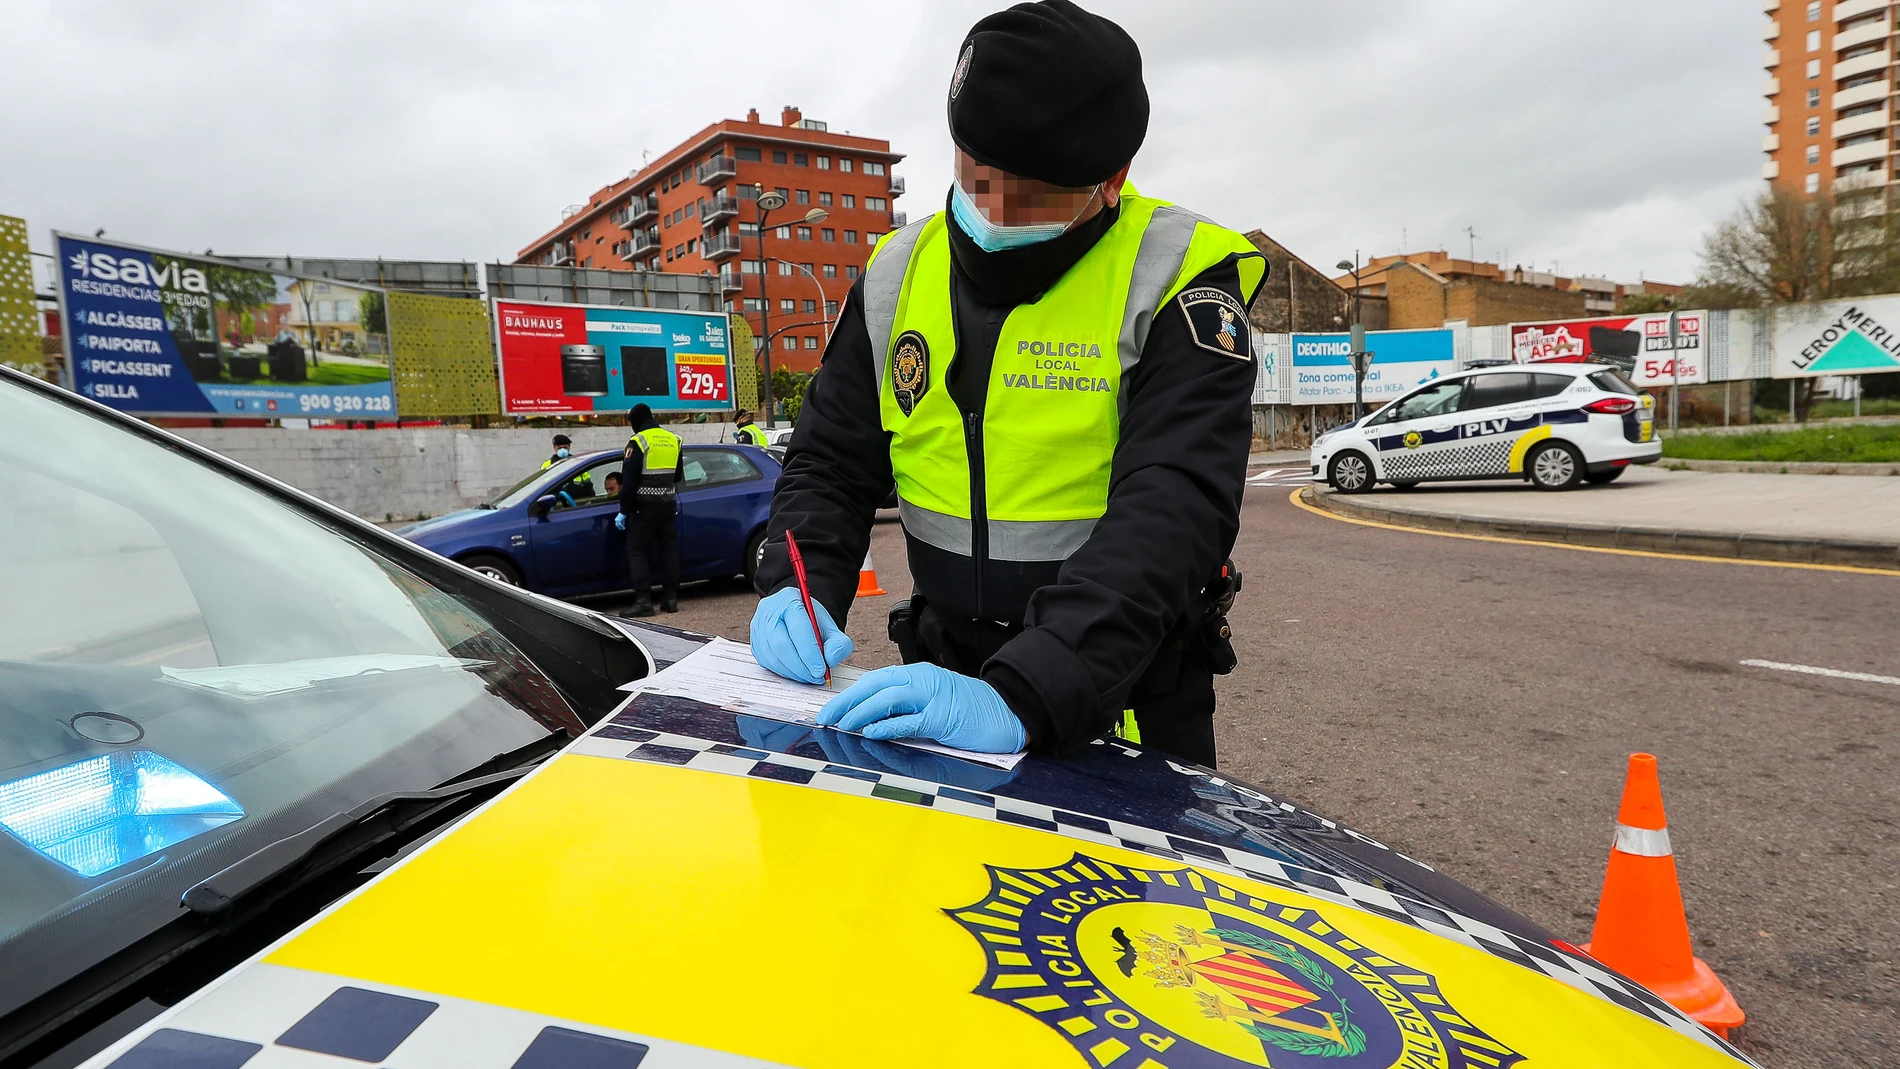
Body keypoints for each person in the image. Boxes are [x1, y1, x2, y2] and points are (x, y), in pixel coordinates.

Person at [747, 0, 1264, 766]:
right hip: (942, 678)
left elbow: (1175, 504)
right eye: (976, 177)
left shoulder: (1177, 278)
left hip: (1117, 692)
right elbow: (829, 457)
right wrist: (803, 579)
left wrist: (1034, 686)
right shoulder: (896, 272)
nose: (991, 210)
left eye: (1029, 194)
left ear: (1112, 179)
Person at [615, 404, 684, 617]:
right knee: (669, 550)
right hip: (668, 504)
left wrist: (624, 511)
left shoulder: (638, 442)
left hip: (644, 507)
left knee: (637, 550)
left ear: (635, 421)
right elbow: (677, 476)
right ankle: (670, 599)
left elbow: (629, 481)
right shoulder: (674, 439)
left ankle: (644, 601)